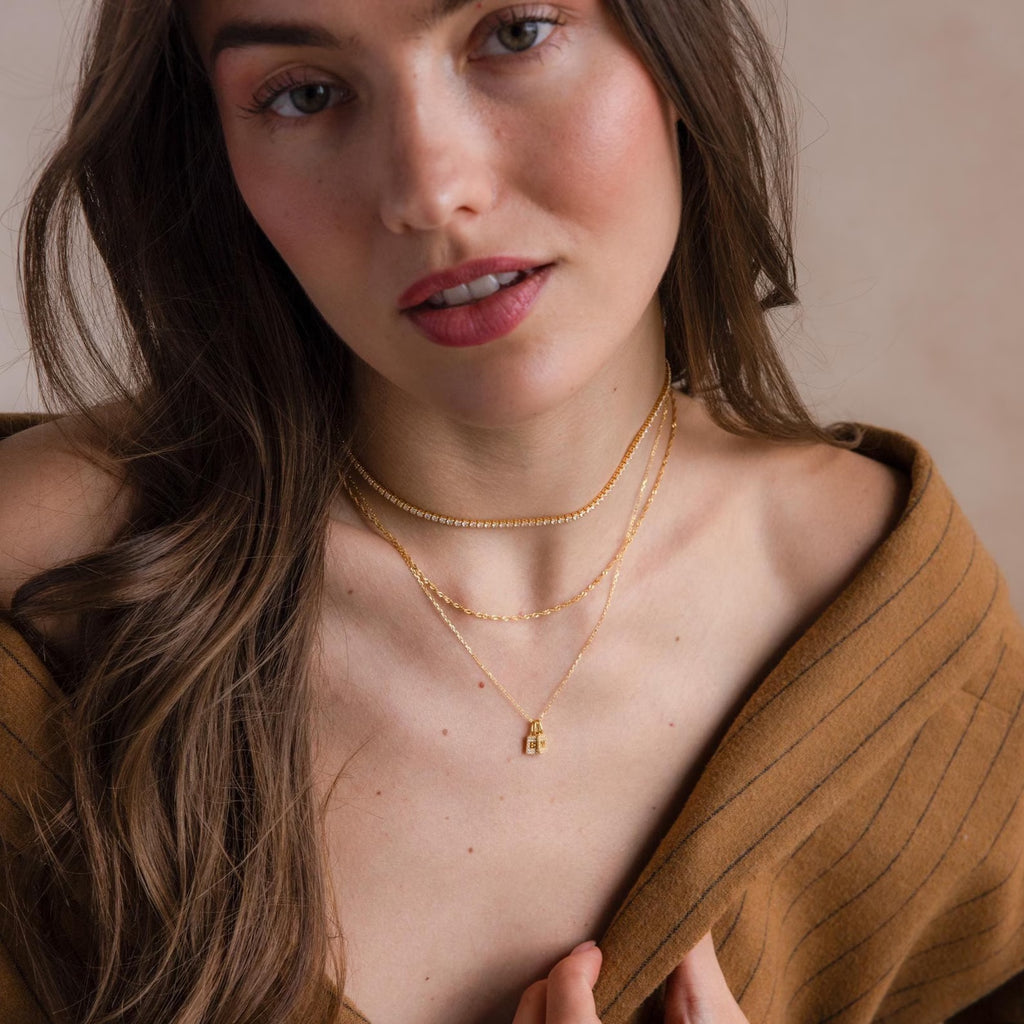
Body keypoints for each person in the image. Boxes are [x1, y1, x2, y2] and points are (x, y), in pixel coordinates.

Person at [0, 1, 1021, 1022]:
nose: (431, 191)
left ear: (668, 48)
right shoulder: (38, 601)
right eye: (303, 94)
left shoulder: (900, 636)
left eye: (515, 32)